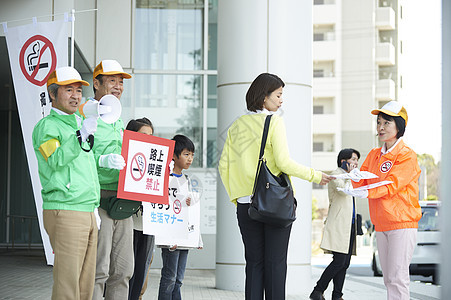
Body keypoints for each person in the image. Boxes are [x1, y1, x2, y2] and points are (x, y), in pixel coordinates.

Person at [218, 73, 332, 300]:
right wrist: (315, 175)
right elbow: (283, 163)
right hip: (272, 205)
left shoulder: (237, 125)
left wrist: (239, 195)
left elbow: (223, 166)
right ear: (264, 97)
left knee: (254, 264)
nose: (281, 101)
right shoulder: (274, 122)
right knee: (276, 264)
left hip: (245, 205)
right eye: (278, 95)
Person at [32, 66, 99, 300]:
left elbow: (84, 163)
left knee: (84, 286)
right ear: (53, 94)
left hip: (87, 210)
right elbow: (57, 160)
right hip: (65, 209)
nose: (76, 96)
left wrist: (106, 160)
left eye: (78, 90)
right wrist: (80, 136)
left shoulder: (79, 122)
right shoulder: (46, 127)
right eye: (68, 90)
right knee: (67, 286)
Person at [343, 101, 421, 300]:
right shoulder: (374, 154)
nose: (380, 127)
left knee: (397, 278)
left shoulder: (406, 155)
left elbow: (392, 185)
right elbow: (364, 181)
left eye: (387, 123)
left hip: (401, 224)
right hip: (382, 224)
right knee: (389, 279)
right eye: (379, 122)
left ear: (399, 126)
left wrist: (367, 192)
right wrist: (354, 181)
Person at [91, 60, 134, 300]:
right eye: (111, 81)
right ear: (96, 83)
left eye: (121, 81)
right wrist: (102, 160)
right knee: (99, 270)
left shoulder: (117, 118)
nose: (118, 86)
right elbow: (79, 155)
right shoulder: (84, 116)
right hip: (98, 200)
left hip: (123, 200)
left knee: (124, 270)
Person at [310, 148, 361, 300]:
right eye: (353, 159)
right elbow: (343, 191)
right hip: (339, 225)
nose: (356, 163)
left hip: (350, 226)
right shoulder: (336, 174)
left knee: (345, 263)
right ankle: (317, 290)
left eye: (357, 160)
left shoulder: (350, 177)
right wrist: (351, 176)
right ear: (343, 161)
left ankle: (337, 295)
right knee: (339, 261)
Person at [158, 134, 202, 300]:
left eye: (192, 155)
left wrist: (196, 238)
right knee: (169, 277)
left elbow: (189, 211)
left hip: (184, 235)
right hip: (171, 235)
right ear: (174, 156)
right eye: (186, 154)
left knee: (178, 279)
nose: (190, 159)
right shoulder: (165, 179)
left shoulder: (186, 179)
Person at [126, 118, 156, 300]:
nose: (148, 139)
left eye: (151, 136)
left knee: (141, 272)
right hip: (127, 222)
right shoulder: (125, 156)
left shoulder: (155, 162)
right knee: (124, 271)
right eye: (143, 135)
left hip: (148, 224)